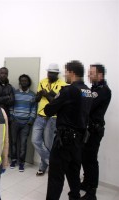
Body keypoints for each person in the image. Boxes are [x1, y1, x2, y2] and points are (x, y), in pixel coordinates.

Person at [44, 61, 93, 200]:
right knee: (74, 172)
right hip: (79, 140)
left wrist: (53, 100)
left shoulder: (68, 90)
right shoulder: (88, 91)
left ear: (72, 72)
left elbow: (49, 110)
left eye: (66, 71)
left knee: (56, 176)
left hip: (64, 141)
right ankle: (75, 197)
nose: (65, 74)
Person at [80, 64, 112, 200]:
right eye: (88, 73)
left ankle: (92, 192)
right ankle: (86, 183)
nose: (89, 75)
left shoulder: (103, 90)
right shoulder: (94, 89)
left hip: (95, 131)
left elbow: (88, 105)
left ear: (100, 75)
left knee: (91, 160)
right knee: (84, 158)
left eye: (92, 73)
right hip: (88, 129)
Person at [31, 63, 66, 176]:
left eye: (53, 73)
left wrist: (46, 95)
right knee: (35, 140)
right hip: (41, 115)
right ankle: (52, 163)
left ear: (57, 74)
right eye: (49, 72)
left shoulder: (62, 84)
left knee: (48, 144)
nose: (50, 74)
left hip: (53, 117)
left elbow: (57, 102)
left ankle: (42, 166)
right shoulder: (42, 81)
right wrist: (40, 95)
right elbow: (36, 99)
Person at [9, 74, 37, 172]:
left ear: (28, 82)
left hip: (26, 124)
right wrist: (12, 117)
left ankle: (21, 163)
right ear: (19, 82)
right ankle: (13, 160)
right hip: (15, 122)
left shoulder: (33, 95)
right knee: (13, 142)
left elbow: (34, 109)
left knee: (23, 144)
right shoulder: (15, 93)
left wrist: (30, 121)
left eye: (25, 81)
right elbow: (11, 106)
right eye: (22, 81)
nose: (23, 82)